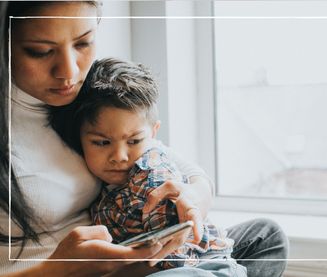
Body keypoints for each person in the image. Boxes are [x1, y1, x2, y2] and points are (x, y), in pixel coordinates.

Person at [0, 1, 288, 276]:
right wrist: (56, 271)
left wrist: (195, 197)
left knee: (266, 236)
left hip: (133, 263)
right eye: (40, 51)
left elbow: (167, 159)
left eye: (83, 42)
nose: (69, 72)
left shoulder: (82, 97)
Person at [48, 57, 241, 273]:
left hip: (191, 260)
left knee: (264, 234)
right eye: (102, 143)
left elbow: (173, 254)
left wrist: (194, 199)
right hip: (172, 264)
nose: (120, 156)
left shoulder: (151, 175)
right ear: (79, 138)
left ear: (153, 133)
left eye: (134, 141)